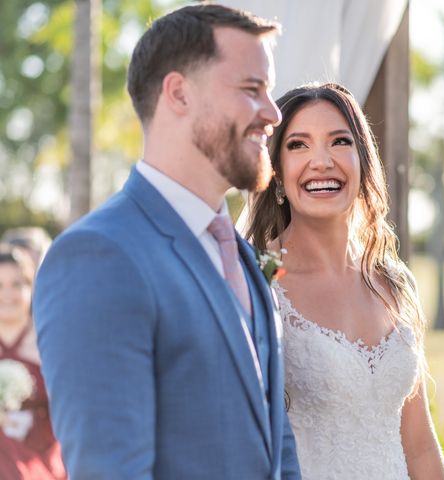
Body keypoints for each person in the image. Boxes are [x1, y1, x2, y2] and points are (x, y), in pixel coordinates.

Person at [33, 4, 300, 479]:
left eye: (270, 91)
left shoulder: (238, 252)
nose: (273, 114)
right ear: (178, 93)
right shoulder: (100, 257)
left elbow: (277, 453)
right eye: (251, 89)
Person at [247, 82, 444, 479]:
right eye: (298, 145)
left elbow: (420, 443)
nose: (321, 161)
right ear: (275, 171)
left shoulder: (393, 282)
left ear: (363, 159)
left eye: (339, 141)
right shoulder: (259, 281)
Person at [0, 244, 66, 479]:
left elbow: (71, 409)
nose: (7, 295)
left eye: (17, 285)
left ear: (31, 287)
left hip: (38, 460)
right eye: (0, 286)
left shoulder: (50, 341)